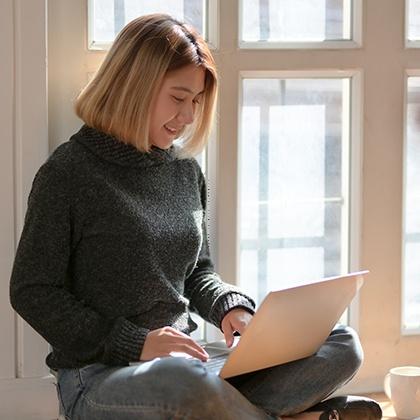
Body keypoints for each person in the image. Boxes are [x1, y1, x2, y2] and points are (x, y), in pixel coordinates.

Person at [9, 13, 382, 420]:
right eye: (178, 97)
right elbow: (32, 290)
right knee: (186, 385)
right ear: (134, 85)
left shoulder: (184, 171)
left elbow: (197, 273)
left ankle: (244, 412)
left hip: (190, 364)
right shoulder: (69, 173)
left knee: (341, 343)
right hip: (99, 376)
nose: (188, 117)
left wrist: (230, 309)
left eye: (197, 101)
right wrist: (136, 344)